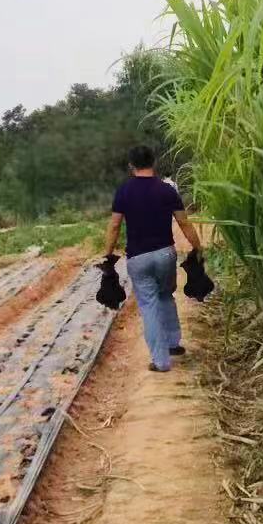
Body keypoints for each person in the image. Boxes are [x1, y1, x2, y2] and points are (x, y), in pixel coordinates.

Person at [103, 145, 203, 373]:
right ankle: (173, 344)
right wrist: (197, 246)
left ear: (131, 166)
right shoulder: (167, 191)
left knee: (149, 306)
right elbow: (184, 222)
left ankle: (161, 361)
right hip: (165, 253)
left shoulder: (124, 191)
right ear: (153, 162)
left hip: (138, 257)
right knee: (166, 296)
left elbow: (115, 225)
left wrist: (108, 254)